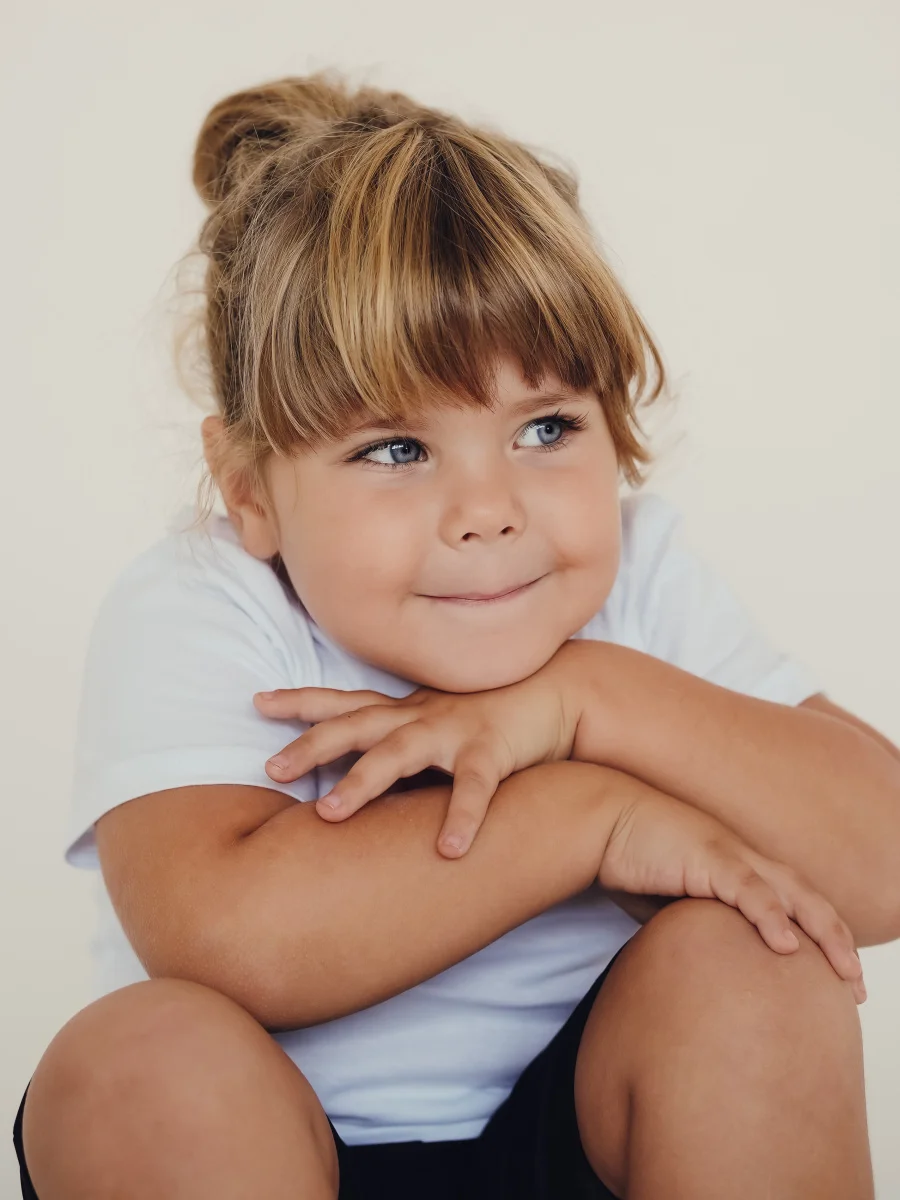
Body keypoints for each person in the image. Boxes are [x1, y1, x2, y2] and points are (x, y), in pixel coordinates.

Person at [13, 70, 900, 1200]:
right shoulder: (204, 602)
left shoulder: (638, 584)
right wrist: (595, 814)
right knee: (137, 1058)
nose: (490, 510)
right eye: (396, 449)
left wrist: (584, 698)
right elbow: (228, 937)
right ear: (249, 491)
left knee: (758, 958)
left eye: (546, 428)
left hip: (601, 1149)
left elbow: (882, 859)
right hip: (276, 1155)